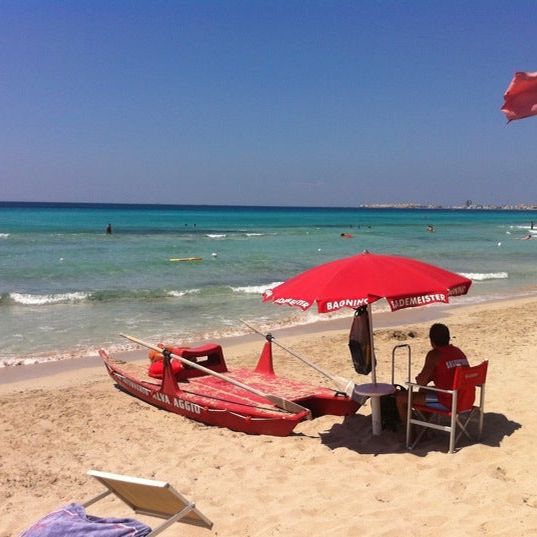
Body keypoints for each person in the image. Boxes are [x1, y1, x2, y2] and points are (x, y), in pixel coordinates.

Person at [395, 323, 469, 423]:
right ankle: (425, 425)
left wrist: (422, 378)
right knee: (423, 390)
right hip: (466, 399)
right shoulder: (458, 352)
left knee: (401, 398)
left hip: (448, 402)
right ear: (448, 338)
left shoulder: (435, 354)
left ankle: (412, 434)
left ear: (432, 340)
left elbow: (421, 382)